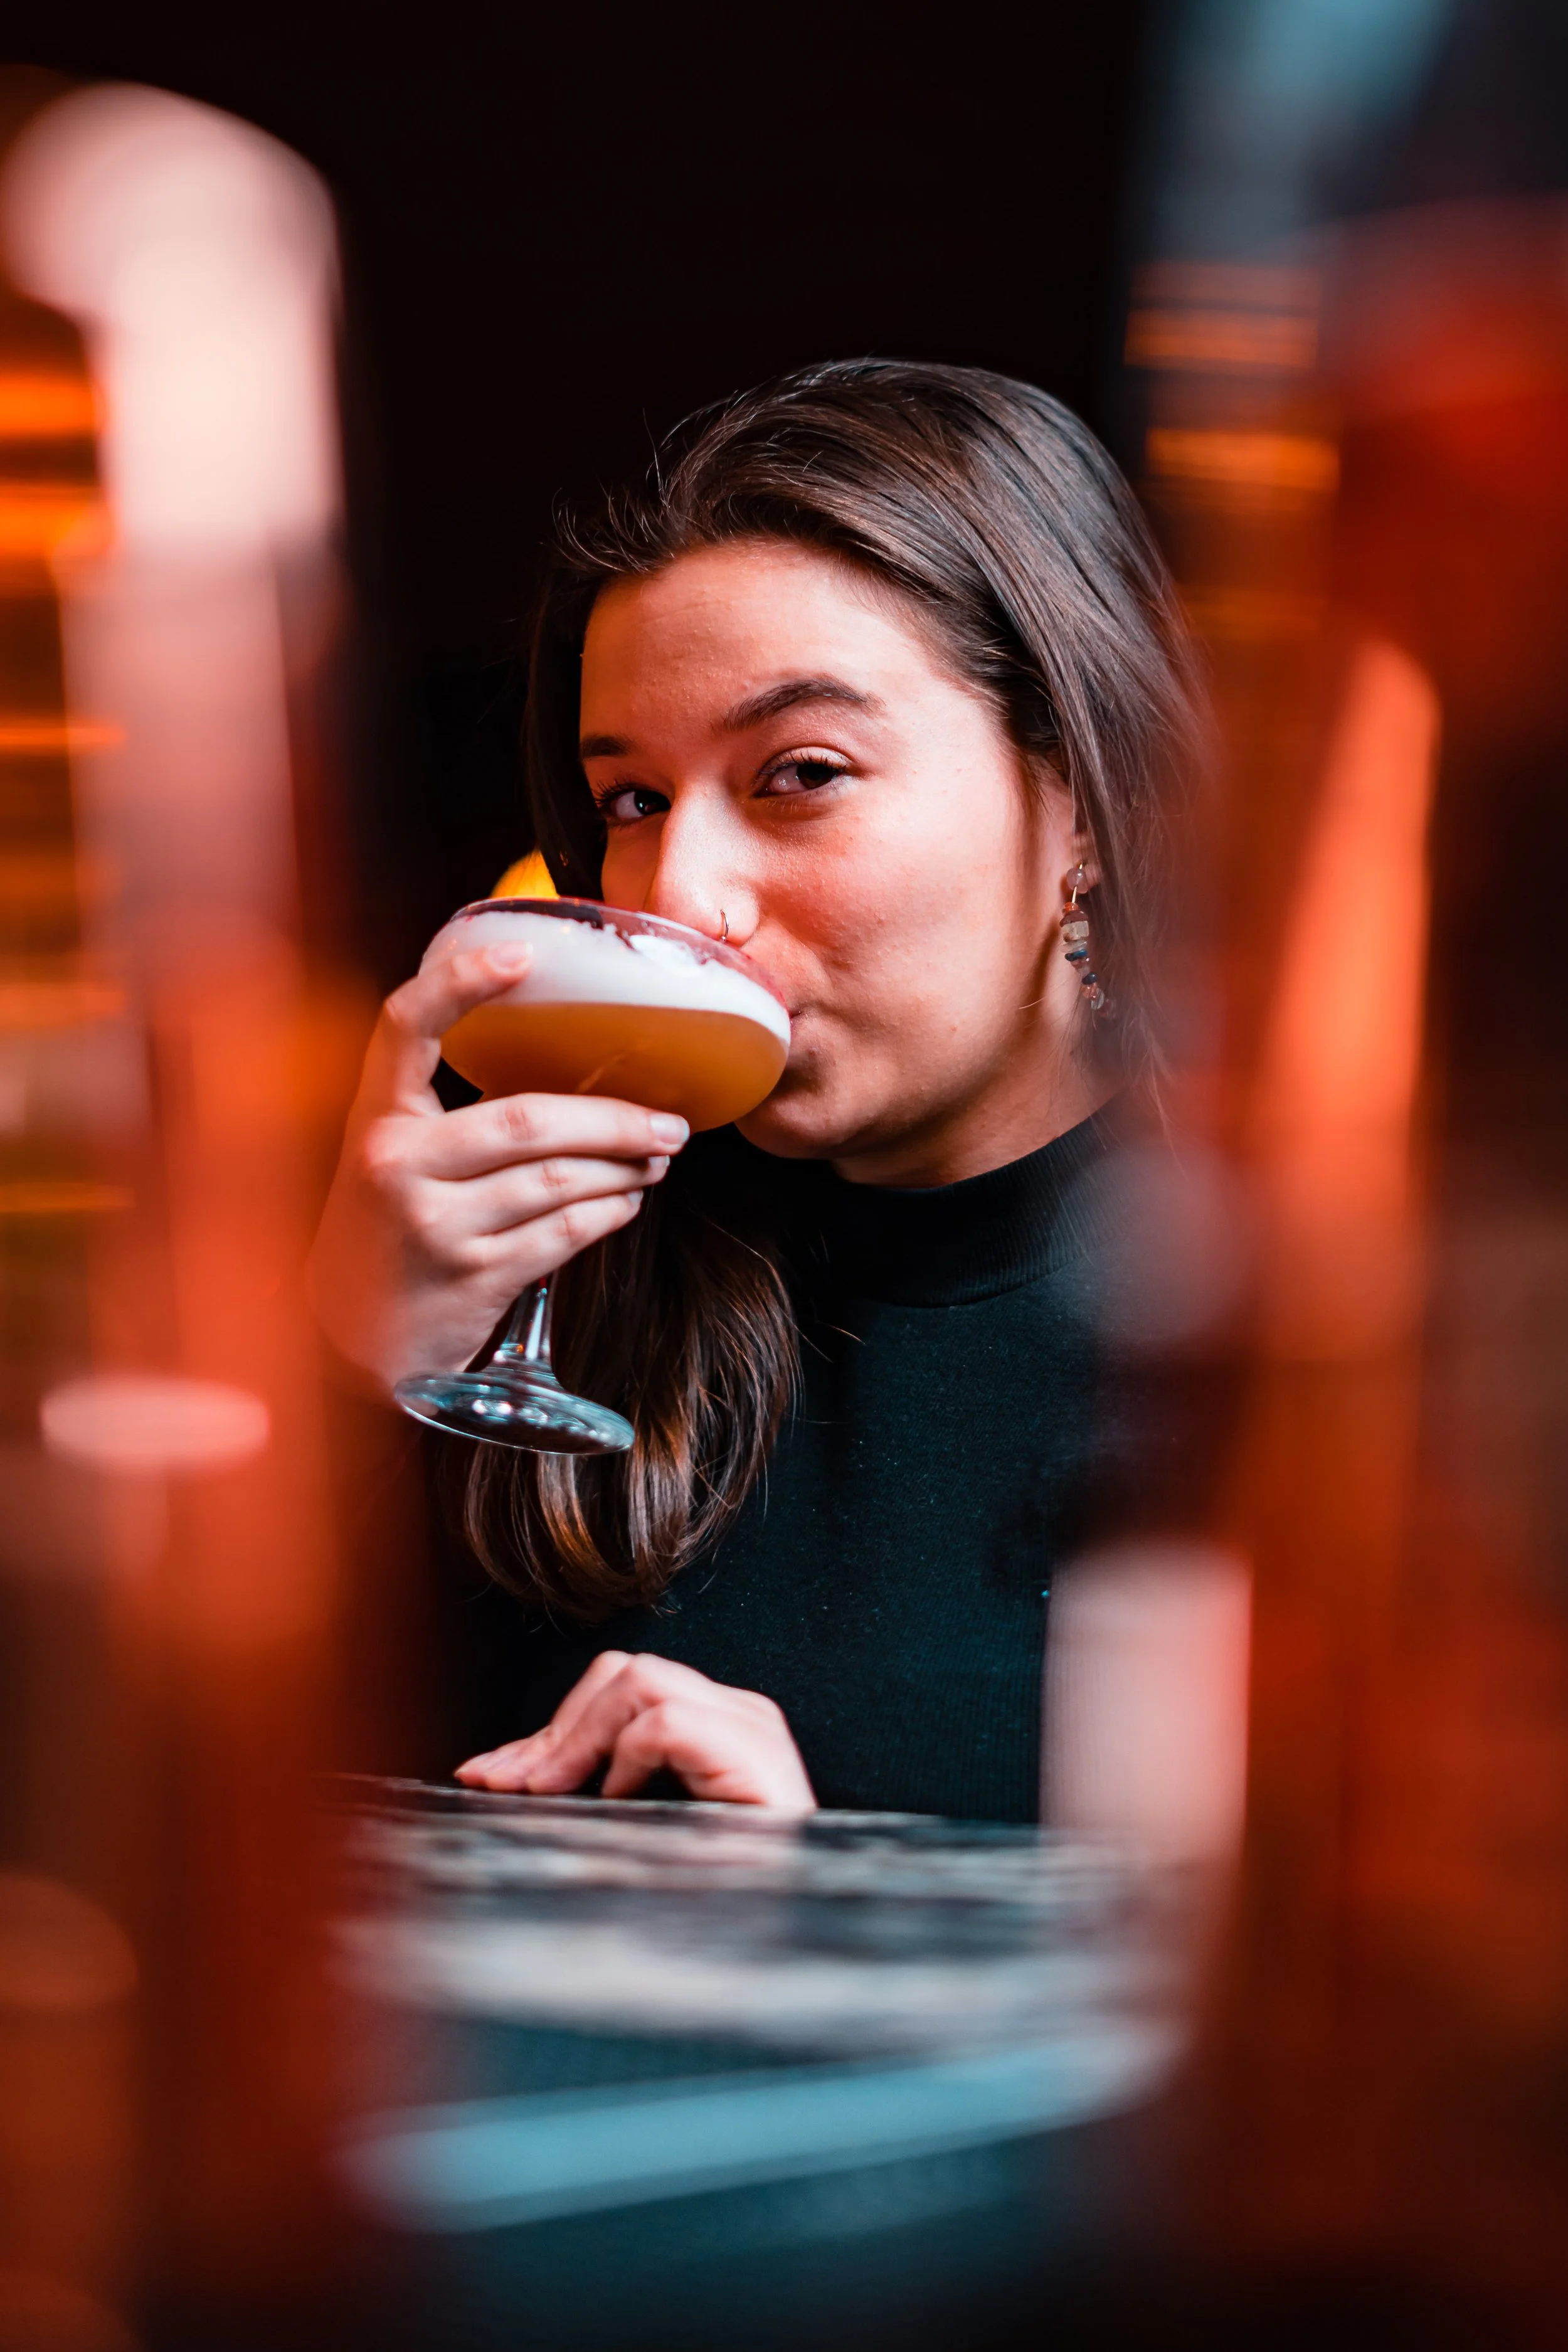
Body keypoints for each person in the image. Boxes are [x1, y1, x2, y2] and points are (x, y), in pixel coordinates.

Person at [309, 359, 1205, 1820]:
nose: (681, 898)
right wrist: (331, 1378)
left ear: (1081, 803)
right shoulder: (533, 1279)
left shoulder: (1296, 1343)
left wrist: (843, 1903)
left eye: (797, 771)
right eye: (633, 802)